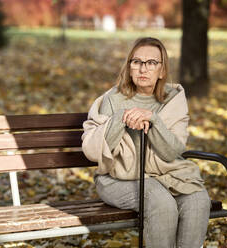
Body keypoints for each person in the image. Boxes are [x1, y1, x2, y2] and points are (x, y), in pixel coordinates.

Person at [82, 37, 211, 248]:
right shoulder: (113, 100)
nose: (143, 68)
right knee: (160, 202)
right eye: (137, 62)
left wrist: (153, 119)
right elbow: (95, 151)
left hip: (166, 173)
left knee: (198, 200)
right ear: (129, 67)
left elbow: (172, 152)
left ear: (162, 70)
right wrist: (121, 117)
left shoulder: (173, 99)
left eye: (151, 63)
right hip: (117, 178)